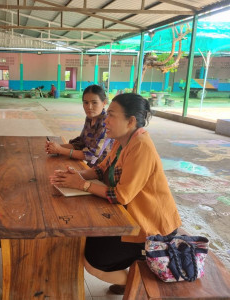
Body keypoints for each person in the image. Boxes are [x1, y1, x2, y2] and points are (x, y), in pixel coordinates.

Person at [49, 93, 181, 295]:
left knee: (94, 262)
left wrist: (82, 185)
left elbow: (122, 196)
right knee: (87, 242)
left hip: (150, 229)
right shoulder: (121, 140)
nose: (105, 119)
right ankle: (126, 279)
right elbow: (101, 169)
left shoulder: (141, 147)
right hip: (128, 217)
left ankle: (137, 288)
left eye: (111, 115)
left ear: (131, 121)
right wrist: (77, 175)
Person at [45, 84, 113, 167]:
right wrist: (56, 147)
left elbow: (92, 155)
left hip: (104, 169)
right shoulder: (90, 118)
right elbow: (81, 143)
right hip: (92, 166)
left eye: (94, 102)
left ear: (104, 103)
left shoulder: (105, 123)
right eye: (86, 103)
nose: (89, 107)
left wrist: (60, 150)